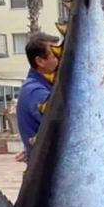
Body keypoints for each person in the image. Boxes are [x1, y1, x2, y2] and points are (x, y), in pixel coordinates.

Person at [16, 31, 60, 162]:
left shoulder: (43, 86)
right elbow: (62, 127)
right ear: (40, 61)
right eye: (55, 55)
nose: (61, 58)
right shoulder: (36, 91)